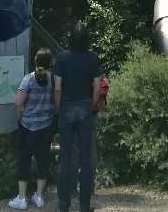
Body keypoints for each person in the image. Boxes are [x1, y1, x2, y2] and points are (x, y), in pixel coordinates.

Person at [54, 22, 102, 212]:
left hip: (66, 107)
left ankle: (63, 204)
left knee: (65, 158)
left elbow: (57, 87)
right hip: (84, 107)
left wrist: (58, 108)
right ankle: (84, 205)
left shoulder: (62, 58)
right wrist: (91, 106)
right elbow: (97, 87)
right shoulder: (93, 58)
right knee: (86, 159)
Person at [9, 49, 56, 210]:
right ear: (50, 63)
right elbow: (55, 101)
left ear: (35, 61)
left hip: (27, 127)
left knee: (24, 160)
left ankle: (22, 198)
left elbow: (18, 103)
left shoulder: (28, 79)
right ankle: (39, 196)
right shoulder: (53, 80)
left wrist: (20, 117)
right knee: (43, 160)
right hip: (45, 126)